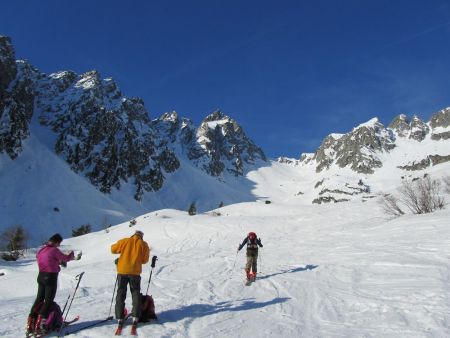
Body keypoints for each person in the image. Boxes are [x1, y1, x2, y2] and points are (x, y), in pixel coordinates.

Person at [27, 233, 80, 335]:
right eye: (59, 243)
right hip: (50, 278)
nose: (59, 245)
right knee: (48, 301)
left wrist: (56, 265)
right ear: (56, 242)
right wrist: (71, 254)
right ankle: (40, 324)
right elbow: (66, 258)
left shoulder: (41, 250)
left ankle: (30, 322)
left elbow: (46, 261)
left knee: (39, 299)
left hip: (41, 276)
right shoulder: (54, 250)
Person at [111, 230, 150, 334]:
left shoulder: (125, 241)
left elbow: (113, 249)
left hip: (122, 271)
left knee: (121, 293)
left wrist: (122, 252)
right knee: (135, 293)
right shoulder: (144, 244)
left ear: (133, 235)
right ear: (141, 237)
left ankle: (119, 318)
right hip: (135, 273)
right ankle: (136, 317)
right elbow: (145, 260)